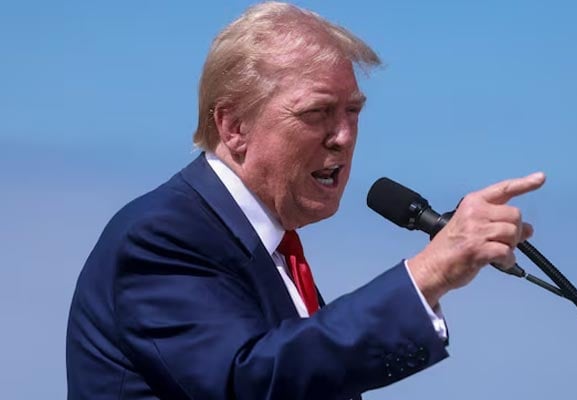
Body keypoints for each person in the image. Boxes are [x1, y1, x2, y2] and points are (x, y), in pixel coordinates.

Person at [66, 2, 546, 399]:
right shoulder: (164, 234)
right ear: (234, 127)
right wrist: (428, 275)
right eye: (317, 113)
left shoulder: (270, 250)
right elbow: (248, 382)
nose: (342, 137)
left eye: (352, 112)